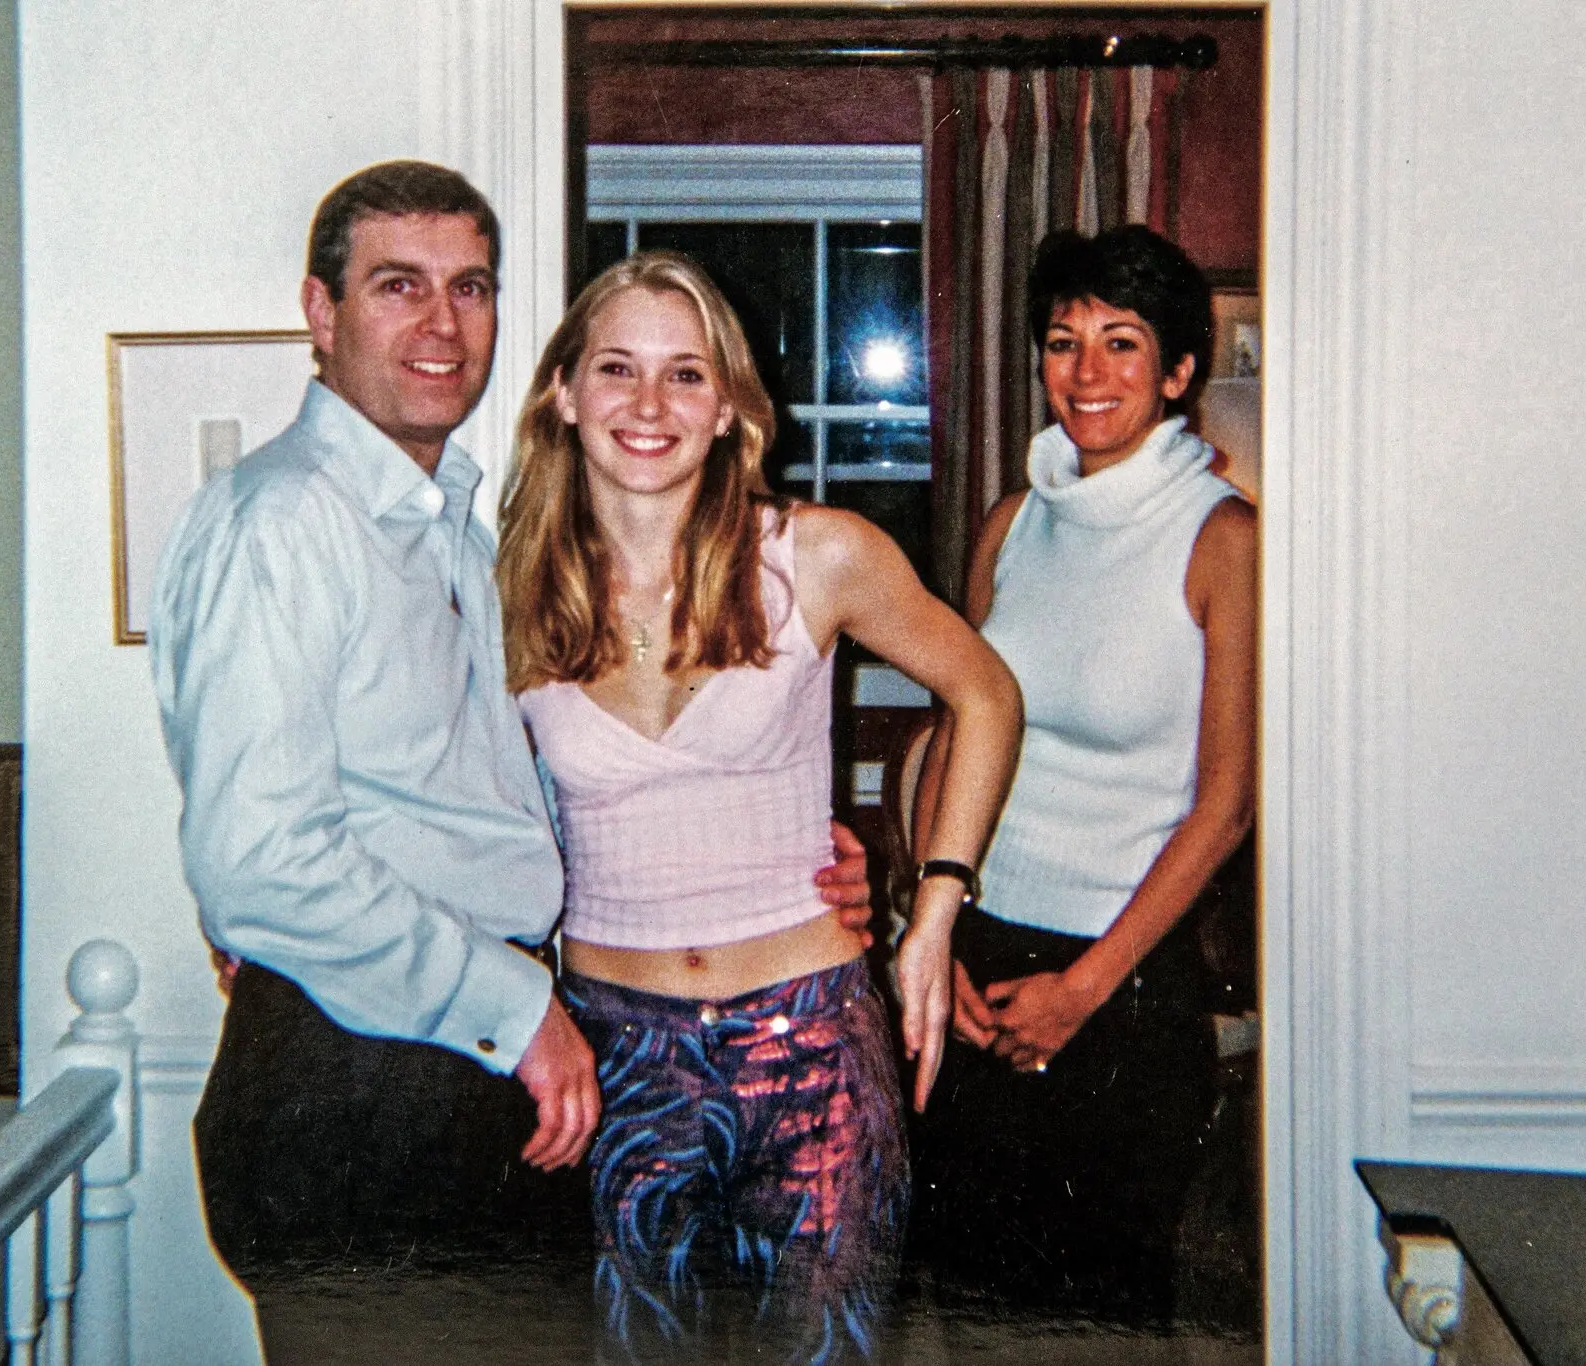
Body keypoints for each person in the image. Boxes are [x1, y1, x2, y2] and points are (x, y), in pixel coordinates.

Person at [147, 162, 871, 1361]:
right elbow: (260, 860)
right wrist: (515, 1006)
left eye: (469, 287)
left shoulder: (457, 532)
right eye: (397, 286)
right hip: (365, 1081)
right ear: (320, 315)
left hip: (467, 1070)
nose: (441, 323)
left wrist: (827, 851)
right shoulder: (281, 521)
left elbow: (487, 790)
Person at [496, 251, 1022, 1363]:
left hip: (813, 1045)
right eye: (616, 369)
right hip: (611, 1055)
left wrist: (932, 906)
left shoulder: (817, 555)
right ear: (562, 392)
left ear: (732, 409)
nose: (648, 405)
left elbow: (983, 690)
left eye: (685, 375)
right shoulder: (504, 588)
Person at [908, 224, 1258, 1325]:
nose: (1087, 373)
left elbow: (1227, 801)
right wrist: (932, 922)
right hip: (978, 962)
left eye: (1121, 342)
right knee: (968, 1310)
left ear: (1178, 371)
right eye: (1063, 342)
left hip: (1122, 985)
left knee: (1099, 1326)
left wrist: (1085, 988)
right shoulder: (1013, 522)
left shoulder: (1222, 538)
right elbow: (952, 735)